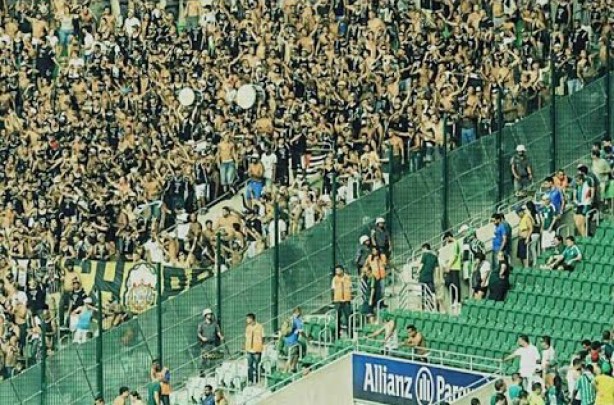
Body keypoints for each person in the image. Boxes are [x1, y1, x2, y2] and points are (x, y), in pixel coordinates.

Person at [197, 309, 224, 373]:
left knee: (213, 358)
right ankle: (201, 372)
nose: (210, 315)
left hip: (213, 344)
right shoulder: (201, 324)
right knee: (203, 358)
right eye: (208, 314)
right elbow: (198, 333)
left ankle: (212, 372)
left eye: (210, 314)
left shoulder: (214, 324)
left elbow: (218, 332)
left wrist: (221, 336)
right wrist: (202, 338)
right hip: (205, 344)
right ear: (205, 315)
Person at [281, 307, 306, 372]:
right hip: (293, 342)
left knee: (296, 355)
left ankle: (292, 368)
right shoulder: (297, 321)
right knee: (291, 358)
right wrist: (307, 338)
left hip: (286, 341)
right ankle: (285, 371)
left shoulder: (289, 319)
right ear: (298, 312)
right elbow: (301, 331)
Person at [331, 265, 352, 338]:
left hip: (346, 300)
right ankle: (337, 335)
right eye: (336, 271)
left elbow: (350, 288)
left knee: (348, 317)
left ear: (342, 270)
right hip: (338, 300)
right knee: (337, 318)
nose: (337, 272)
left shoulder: (347, 277)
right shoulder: (334, 279)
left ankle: (350, 335)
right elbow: (333, 289)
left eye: (338, 270)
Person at [442, 231, 462, 306]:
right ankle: (454, 300)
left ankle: (457, 300)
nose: (446, 241)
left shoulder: (456, 244)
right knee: (450, 283)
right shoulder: (453, 245)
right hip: (452, 267)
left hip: (455, 267)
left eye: (446, 239)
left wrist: (448, 266)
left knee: (455, 284)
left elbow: (454, 256)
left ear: (449, 237)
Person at [244, 313, 264, 384]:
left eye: (248, 318)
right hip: (249, 349)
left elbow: (262, 337)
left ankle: (258, 379)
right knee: (249, 366)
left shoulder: (260, 326)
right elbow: (246, 337)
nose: (247, 320)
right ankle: (251, 380)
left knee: (257, 365)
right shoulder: (248, 327)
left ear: (252, 319)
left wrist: (261, 346)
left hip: (257, 349)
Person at [418, 243, 438, 308]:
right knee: (431, 292)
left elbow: (421, 266)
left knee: (424, 292)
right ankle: (432, 305)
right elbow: (437, 268)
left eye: (422, 249)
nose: (422, 251)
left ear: (425, 248)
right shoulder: (435, 256)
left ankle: (424, 306)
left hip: (423, 276)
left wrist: (417, 272)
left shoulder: (424, 255)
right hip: (430, 277)